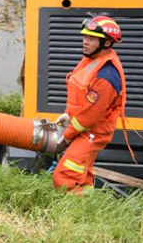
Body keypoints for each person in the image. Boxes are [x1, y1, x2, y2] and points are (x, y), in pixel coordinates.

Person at [53, 15, 126, 194]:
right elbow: (82, 97)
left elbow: (91, 116)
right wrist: (68, 116)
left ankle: (69, 216)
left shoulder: (107, 76)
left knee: (65, 175)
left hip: (93, 132)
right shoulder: (92, 59)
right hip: (84, 128)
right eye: (84, 36)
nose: (85, 41)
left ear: (107, 43)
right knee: (82, 175)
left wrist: (68, 135)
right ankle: (86, 206)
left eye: (91, 38)